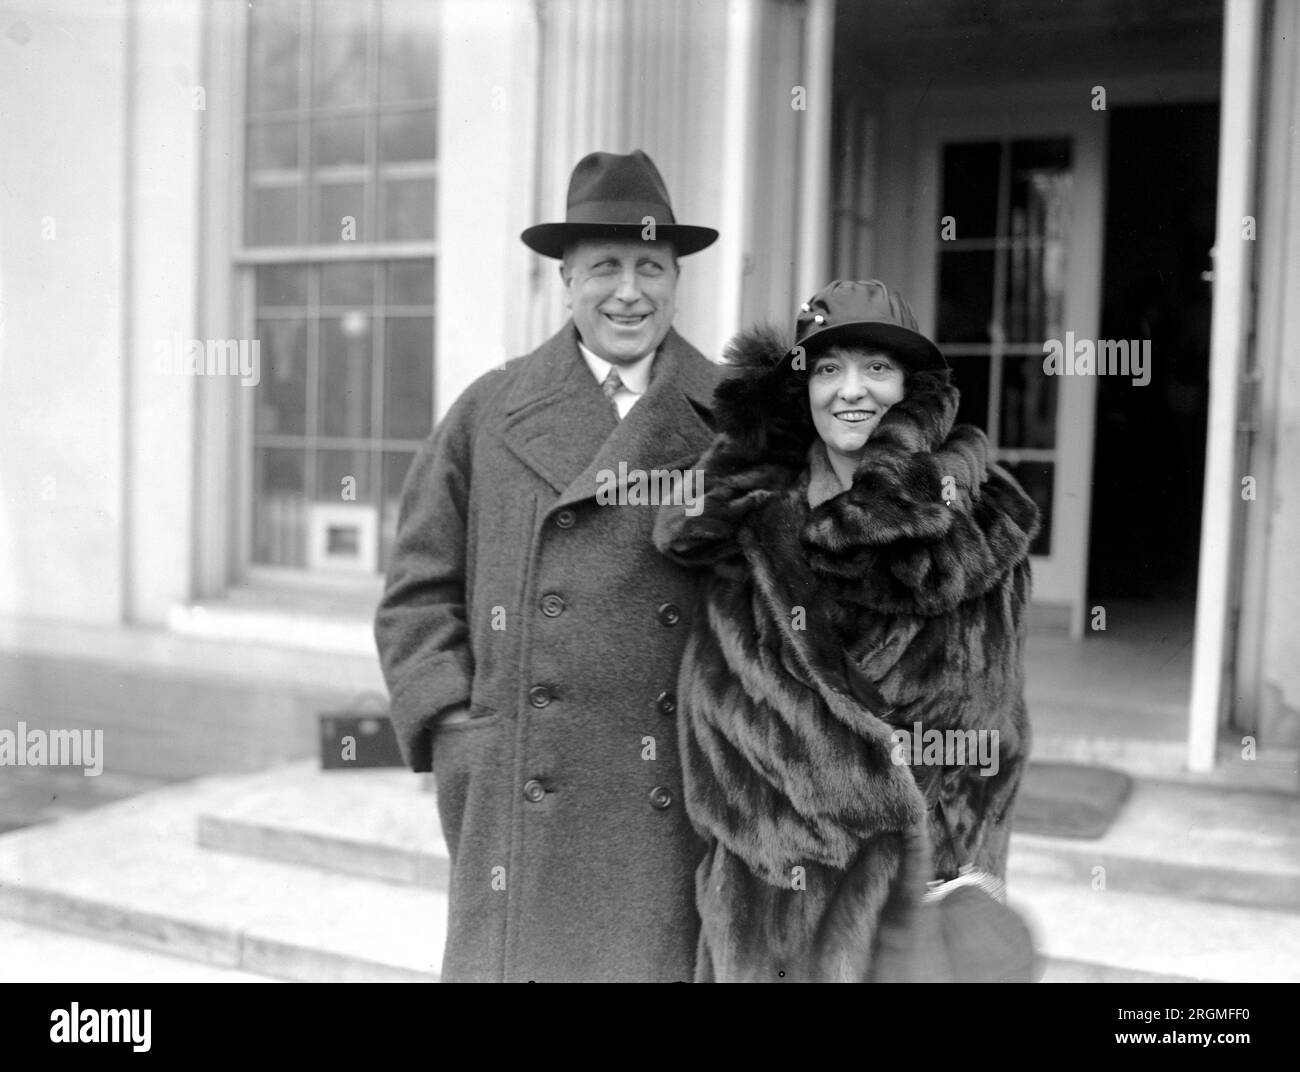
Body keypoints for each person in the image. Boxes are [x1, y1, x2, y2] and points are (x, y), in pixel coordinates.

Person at [374, 150, 723, 982]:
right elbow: (415, 596)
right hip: (522, 798)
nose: (629, 291)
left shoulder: (737, 418)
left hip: (673, 799)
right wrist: (459, 735)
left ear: (678, 280)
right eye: (605, 266)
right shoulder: (489, 411)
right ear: (565, 279)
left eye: (651, 267)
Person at [654, 280, 1040, 982]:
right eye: (827, 369)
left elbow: (993, 745)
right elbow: (709, 722)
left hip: (910, 923)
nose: (850, 391)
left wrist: (947, 877)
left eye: (877, 369)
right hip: (766, 921)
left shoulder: (978, 532)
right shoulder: (746, 525)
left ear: (912, 391)